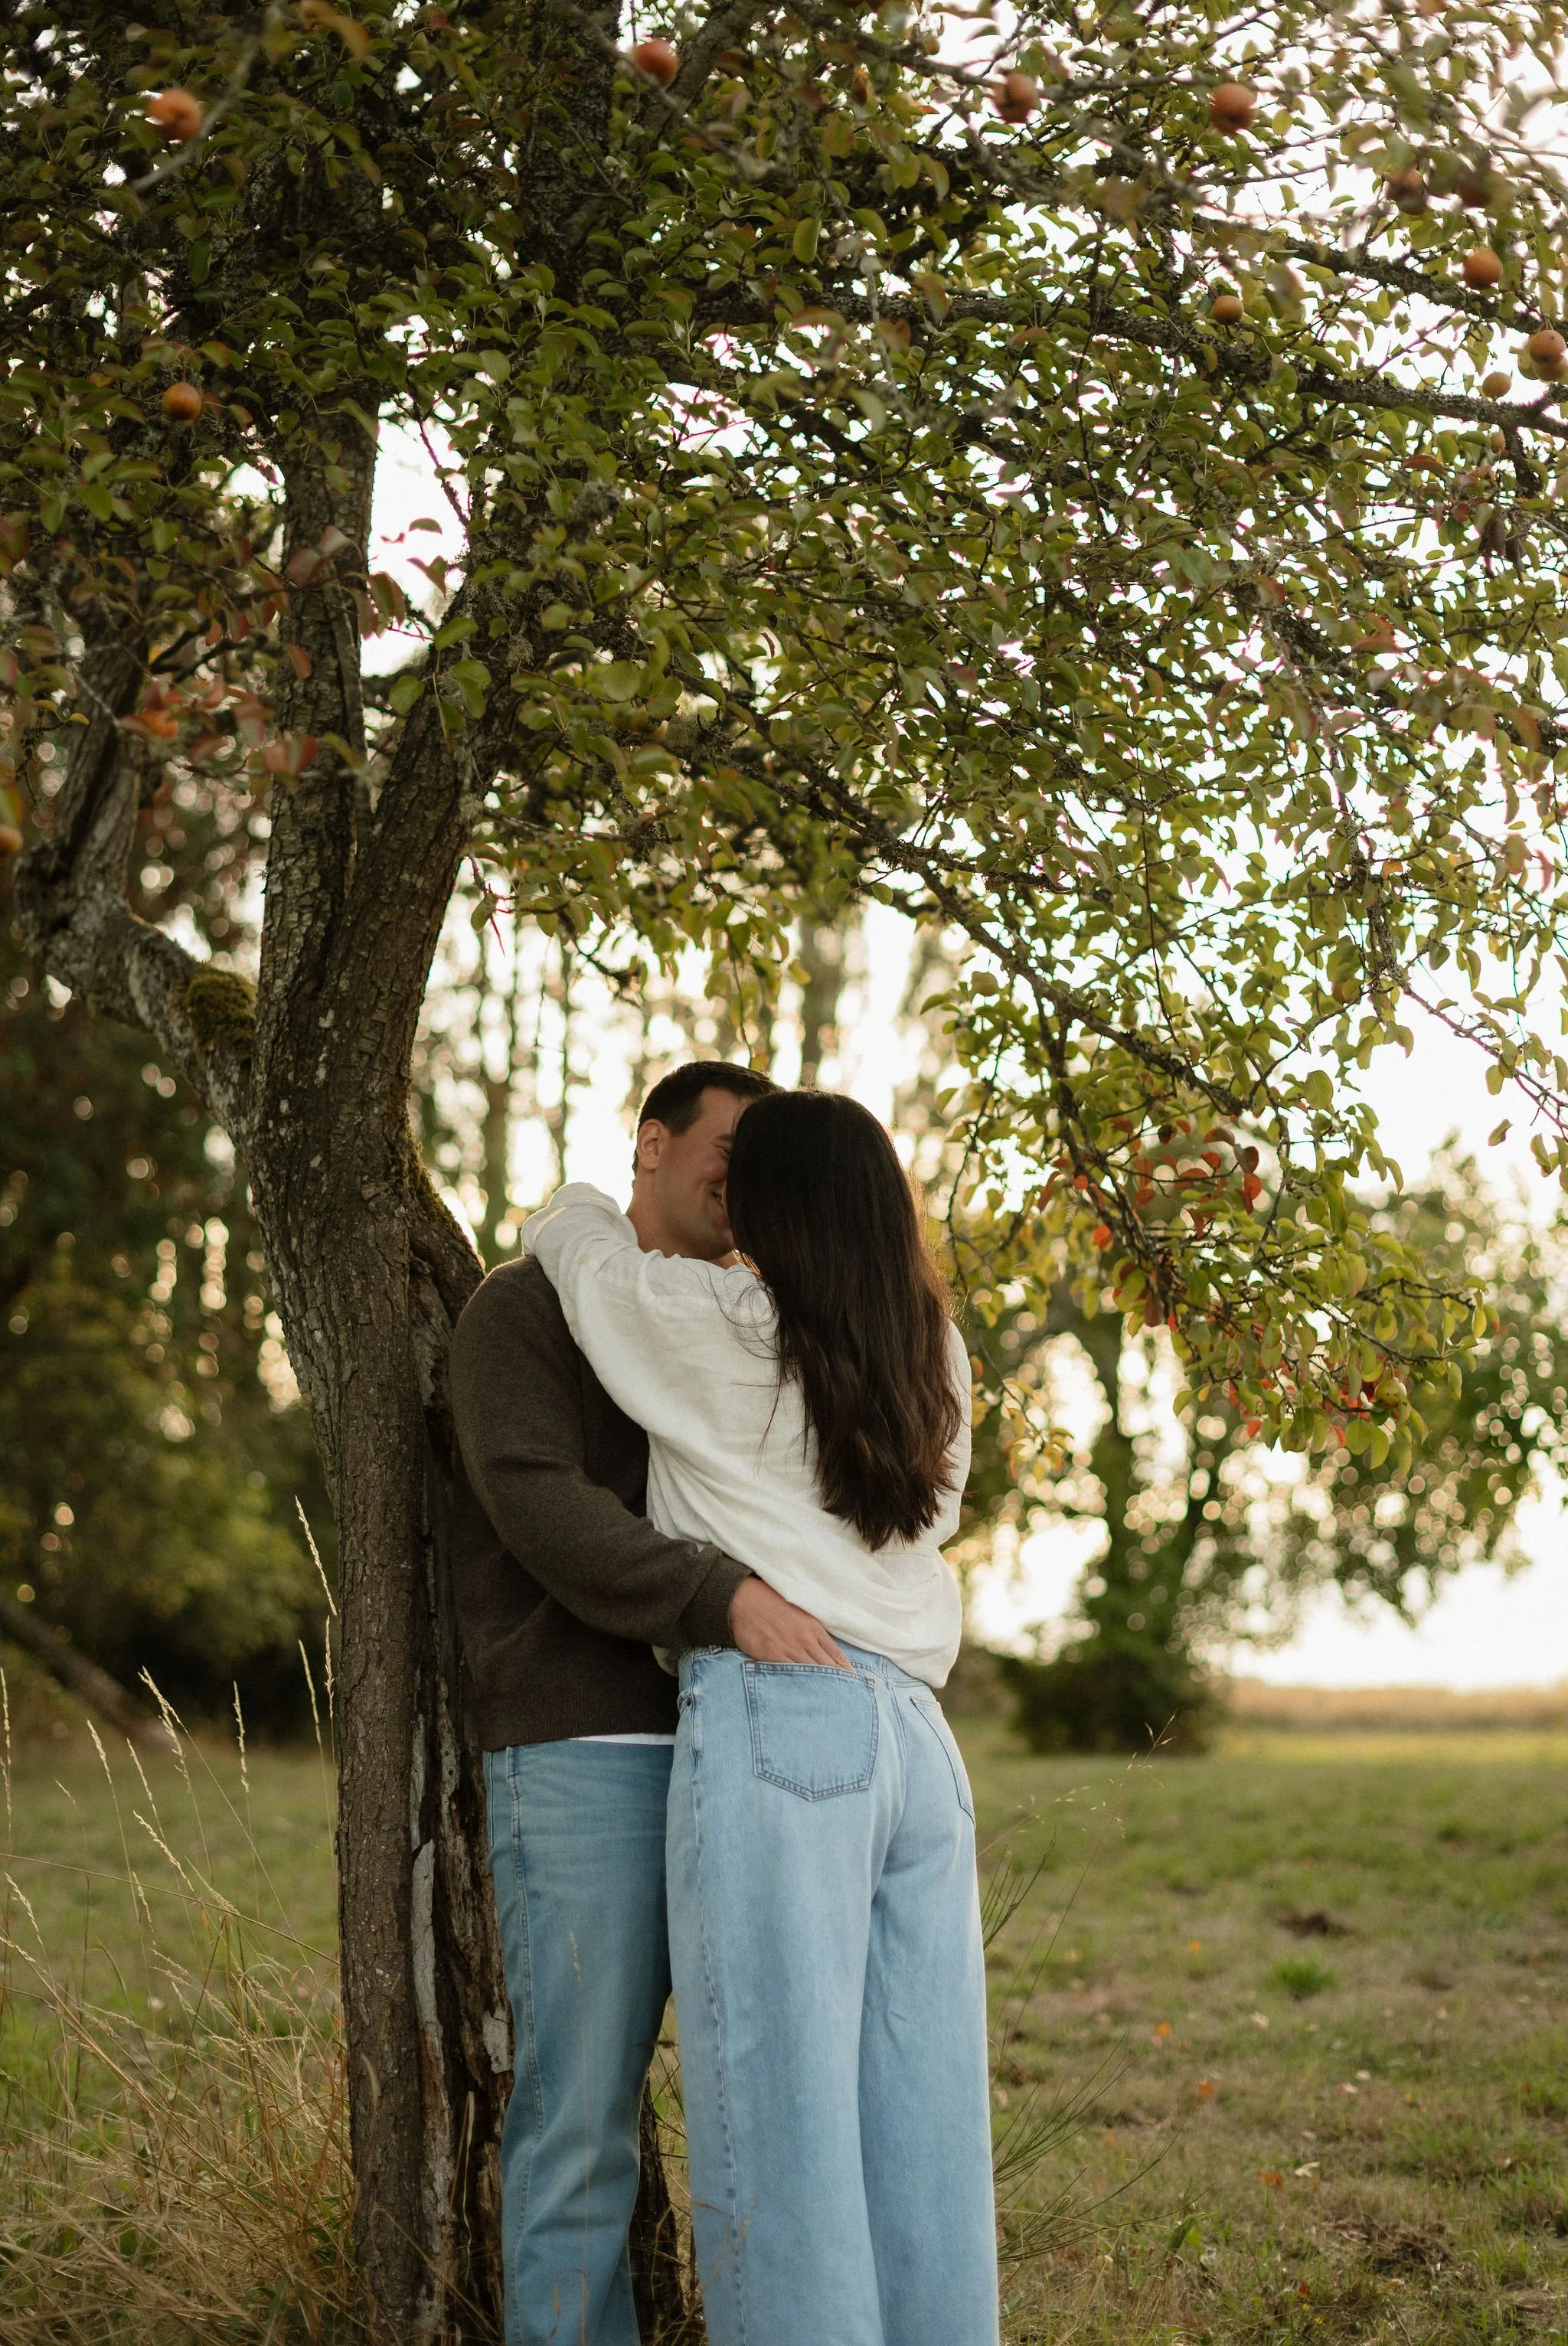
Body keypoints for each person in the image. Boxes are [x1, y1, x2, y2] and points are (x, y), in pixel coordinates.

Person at [522, 1090, 998, 2346]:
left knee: (777, 2131)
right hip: (916, 1740)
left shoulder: (715, 1320)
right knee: (926, 2130)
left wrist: (585, 1196)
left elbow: (574, 1253)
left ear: (777, 1207)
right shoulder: (935, 1355)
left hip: (789, 1724)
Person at [449, 1062, 840, 2346]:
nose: (741, 1185)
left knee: (766, 2106)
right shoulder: (526, 1310)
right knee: (581, 2125)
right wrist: (722, 1598)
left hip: (736, 1741)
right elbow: (541, 1505)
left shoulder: (731, 1322)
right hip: (584, 1749)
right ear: (654, 1144)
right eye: (724, 1152)